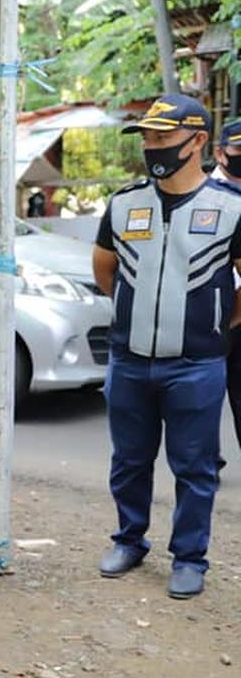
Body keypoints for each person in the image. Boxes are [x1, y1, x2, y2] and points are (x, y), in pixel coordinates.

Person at [92, 95, 241, 600]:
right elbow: (104, 268)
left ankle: (190, 557)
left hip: (197, 364)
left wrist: (218, 324)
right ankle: (129, 540)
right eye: (148, 139)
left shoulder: (230, 209)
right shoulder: (124, 203)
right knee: (129, 461)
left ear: (198, 140)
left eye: (162, 138)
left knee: (195, 466)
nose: (152, 148)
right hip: (129, 360)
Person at [215, 121, 241, 457]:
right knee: (202, 394)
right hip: (214, 310)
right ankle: (206, 461)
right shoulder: (203, 195)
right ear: (220, 153)